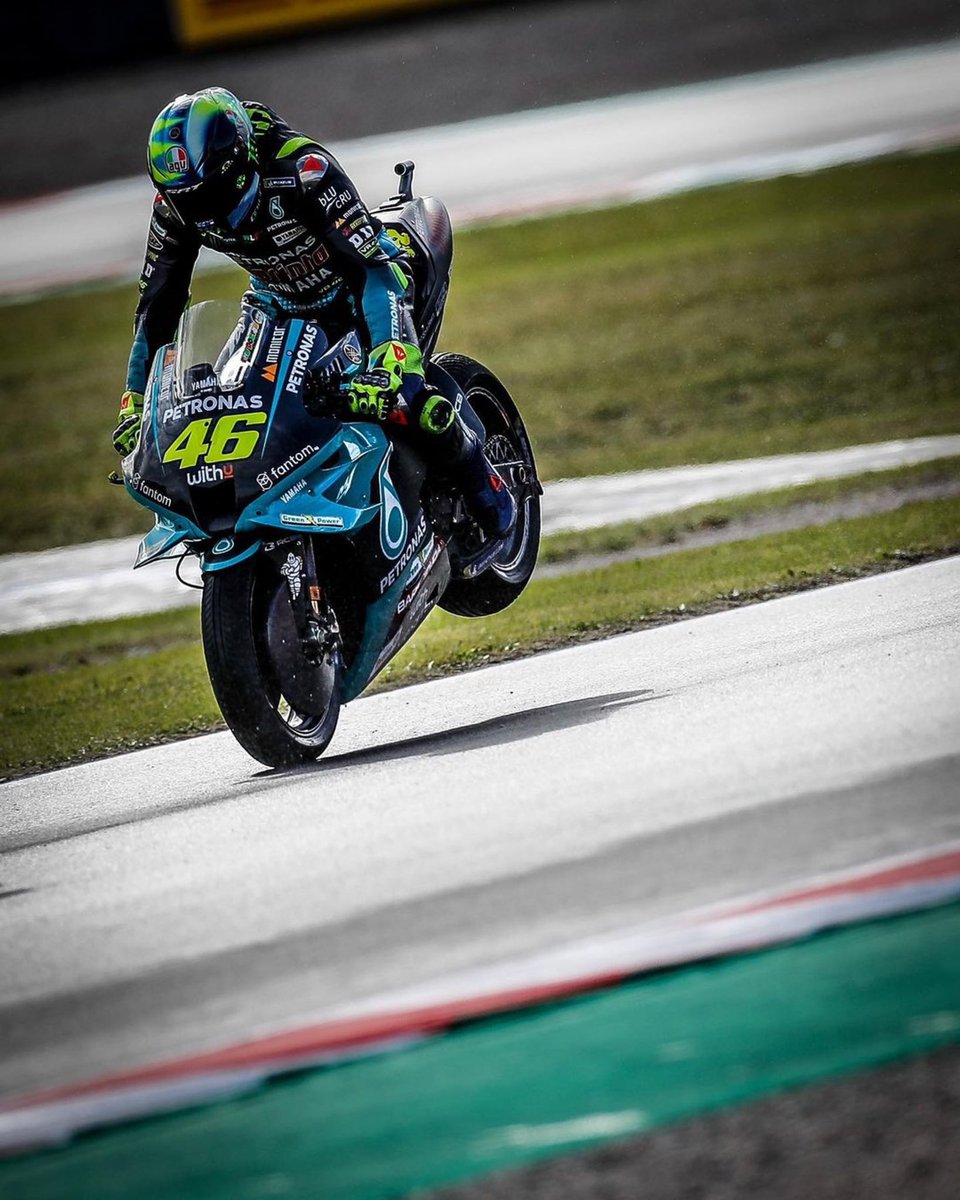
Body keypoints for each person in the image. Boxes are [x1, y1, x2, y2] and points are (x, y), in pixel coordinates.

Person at [113, 86, 515, 538]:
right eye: (186, 200)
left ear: (240, 163)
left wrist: (391, 358)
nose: (201, 212)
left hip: (365, 289)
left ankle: (491, 494)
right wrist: (136, 401)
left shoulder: (303, 170)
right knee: (221, 411)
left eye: (210, 194)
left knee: (408, 401)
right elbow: (158, 307)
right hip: (279, 304)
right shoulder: (175, 207)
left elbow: (371, 270)